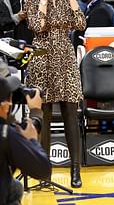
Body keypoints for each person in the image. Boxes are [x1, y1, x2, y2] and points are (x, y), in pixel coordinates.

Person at [24, 0, 86, 188]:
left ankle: (75, 170)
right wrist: (42, 1)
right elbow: (37, 26)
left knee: (71, 114)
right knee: (45, 117)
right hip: (42, 60)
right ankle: (44, 172)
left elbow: (80, 24)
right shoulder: (32, 0)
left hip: (65, 60)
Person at [0, 61, 51, 205]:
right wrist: (35, 116)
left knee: (15, 187)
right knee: (14, 188)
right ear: (5, 104)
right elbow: (42, 170)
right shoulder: (6, 134)